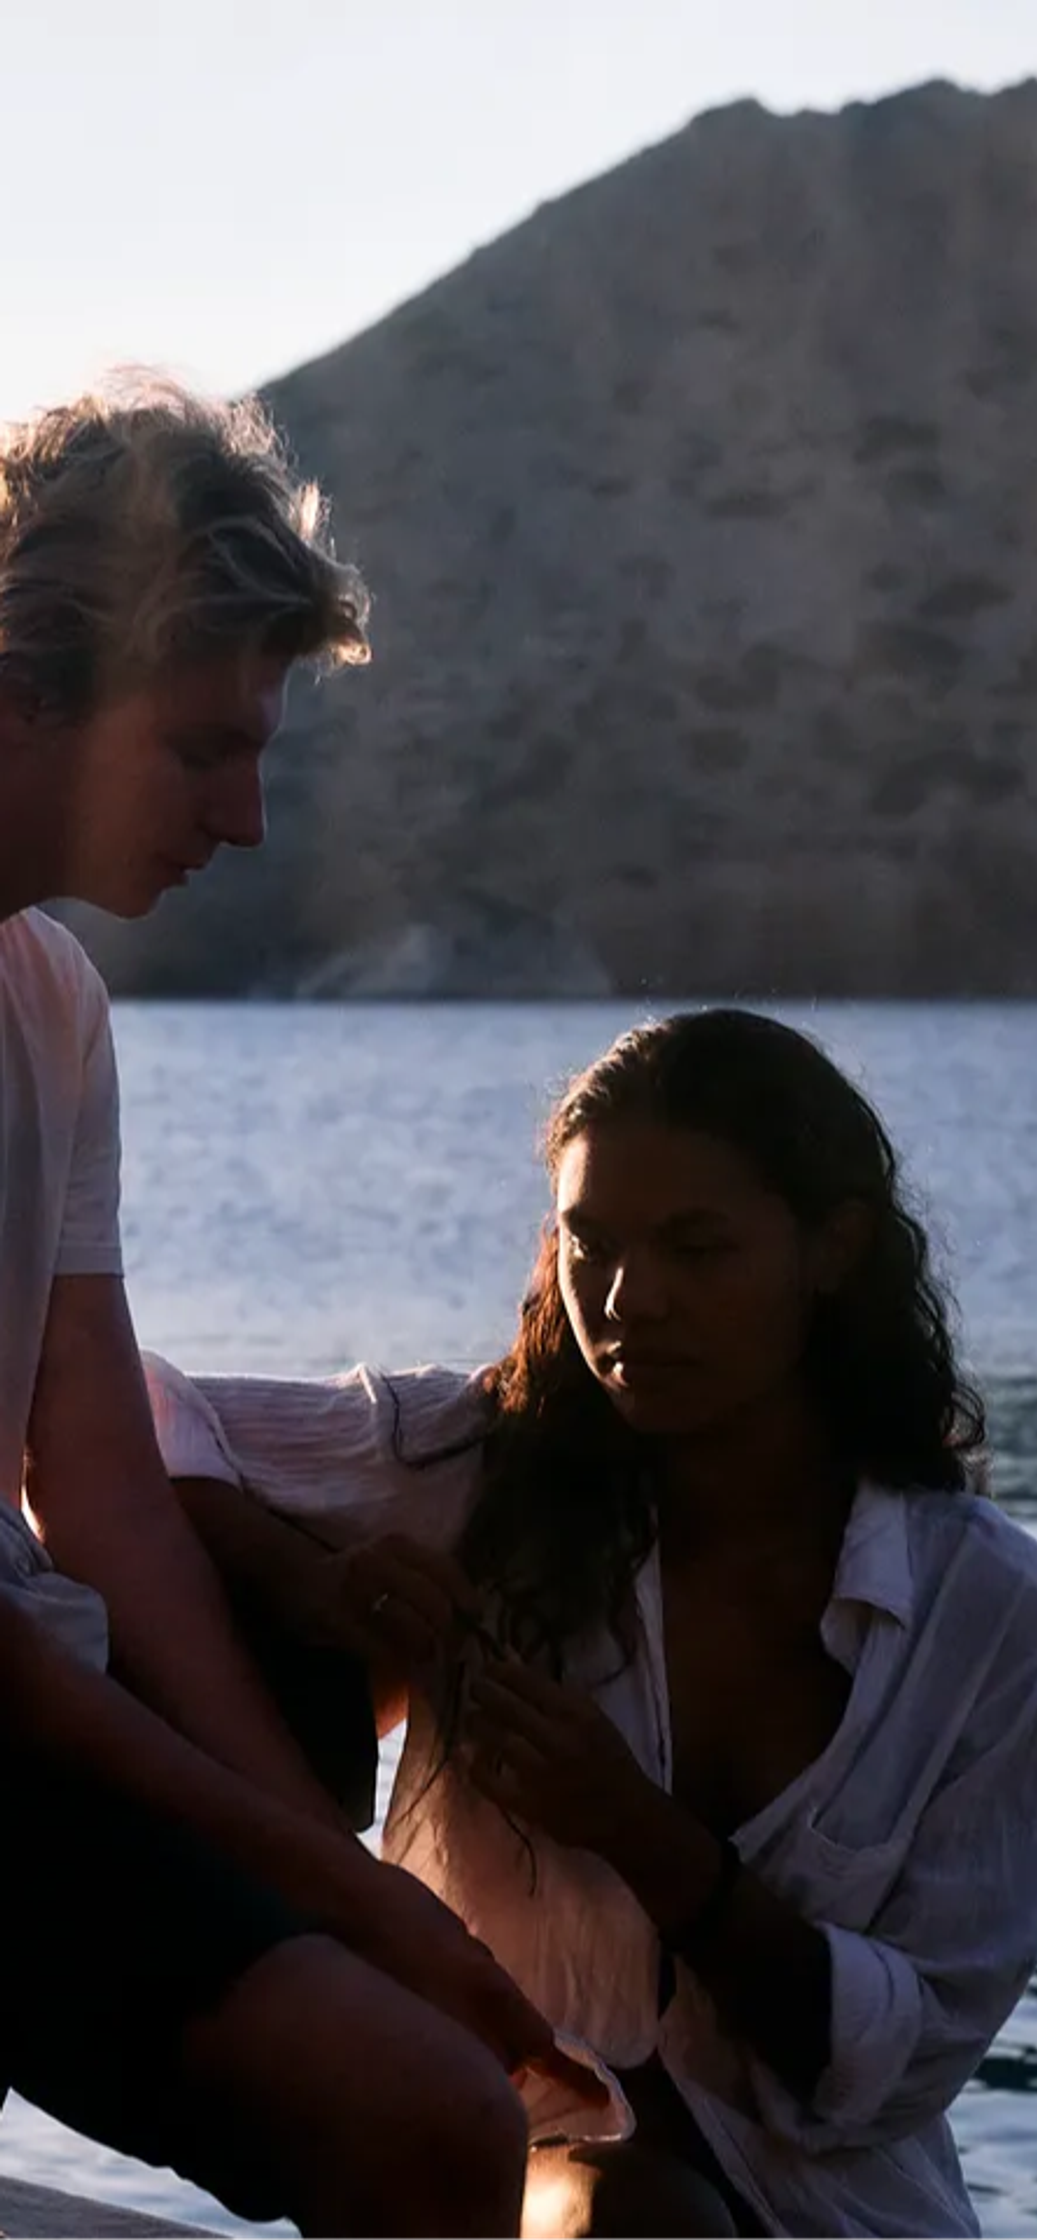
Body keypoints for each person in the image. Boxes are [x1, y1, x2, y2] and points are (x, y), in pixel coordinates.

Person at [144, 1007, 1037, 2240]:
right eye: (590, 1244)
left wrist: (631, 1827)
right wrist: (309, 1586)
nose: (629, 1300)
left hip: (849, 2213)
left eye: (697, 1247)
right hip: (523, 2172)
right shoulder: (478, 1468)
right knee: (635, 2219)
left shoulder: (1001, 1621)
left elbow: (900, 2061)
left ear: (834, 1246)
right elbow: (120, 1407)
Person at [0, 374, 576, 2240]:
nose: (244, 820)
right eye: (198, 749)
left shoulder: (50, 1008)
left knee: (431, 2124)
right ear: (26, 688)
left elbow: (96, 1479)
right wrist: (340, 1889)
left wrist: (334, 1874)